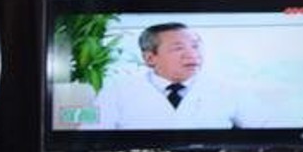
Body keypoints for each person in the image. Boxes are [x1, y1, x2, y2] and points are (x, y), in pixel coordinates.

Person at [91, 22, 249, 129]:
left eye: (195, 46)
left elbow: (260, 125)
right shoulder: (116, 90)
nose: (192, 55)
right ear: (150, 58)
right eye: (178, 48)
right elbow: (90, 130)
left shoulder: (228, 88)